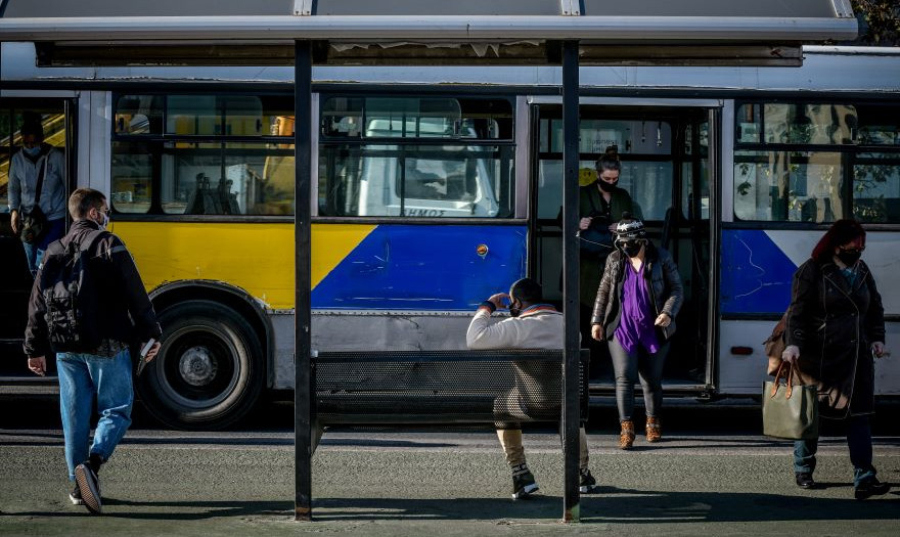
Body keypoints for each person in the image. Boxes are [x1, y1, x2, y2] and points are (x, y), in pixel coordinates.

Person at [24, 188, 162, 514]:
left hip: (64, 346)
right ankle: (93, 465)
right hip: (106, 342)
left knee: (74, 419)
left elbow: (37, 302)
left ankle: (77, 486)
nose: (107, 215)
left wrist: (34, 347)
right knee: (117, 410)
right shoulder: (108, 243)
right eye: (105, 209)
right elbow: (135, 293)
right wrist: (151, 334)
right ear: (93, 213)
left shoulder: (52, 249)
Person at [782, 219, 891, 500]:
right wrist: (793, 345)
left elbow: (874, 308)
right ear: (837, 244)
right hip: (819, 357)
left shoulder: (861, 270)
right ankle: (803, 468)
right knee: (811, 416)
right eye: (854, 245)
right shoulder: (812, 271)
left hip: (856, 358)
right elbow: (798, 312)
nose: (859, 250)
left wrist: (877, 338)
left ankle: (865, 478)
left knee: (860, 417)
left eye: (862, 246)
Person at [466, 277, 598, 500]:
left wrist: (487, 306)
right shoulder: (568, 326)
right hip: (565, 403)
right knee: (570, 409)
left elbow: (474, 339)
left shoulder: (516, 327)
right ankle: (581, 473)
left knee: (501, 404)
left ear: (516, 303)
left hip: (530, 404)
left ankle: (521, 473)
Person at [590, 215, 683, 449]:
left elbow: (677, 289)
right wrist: (597, 321)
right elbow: (604, 291)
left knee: (651, 381)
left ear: (642, 239)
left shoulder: (661, 257)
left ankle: (652, 423)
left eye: (629, 242)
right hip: (622, 327)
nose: (625, 246)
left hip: (655, 328)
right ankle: (626, 428)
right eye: (621, 242)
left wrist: (668, 312)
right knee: (624, 378)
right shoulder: (615, 259)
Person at [578, 146, 642, 378]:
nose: (611, 183)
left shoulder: (623, 196)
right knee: (587, 309)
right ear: (597, 175)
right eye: (607, 179)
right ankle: (588, 361)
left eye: (615, 179)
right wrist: (580, 223)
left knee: (614, 308)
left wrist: (622, 227)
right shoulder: (581, 194)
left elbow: (638, 224)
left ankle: (611, 360)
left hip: (616, 262)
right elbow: (562, 221)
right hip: (587, 264)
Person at [8, 114, 68, 275]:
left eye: (33, 143)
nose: (29, 146)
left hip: (54, 216)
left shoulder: (56, 157)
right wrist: (14, 210)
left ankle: (44, 295)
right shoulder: (17, 159)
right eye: (25, 143)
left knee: (43, 260)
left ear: (41, 139)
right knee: (32, 264)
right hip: (28, 219)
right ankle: (41, 293)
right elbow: (13, 187)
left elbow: (68, 185)